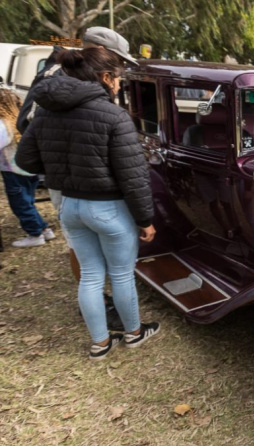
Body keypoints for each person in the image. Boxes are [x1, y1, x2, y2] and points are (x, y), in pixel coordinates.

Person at [16, 47, 160, 360]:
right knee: (121, 275)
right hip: (108, 207)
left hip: (70, 206)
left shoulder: (46, 110)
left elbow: (24, 158)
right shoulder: (113, 116)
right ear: (105, 77)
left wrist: (60, 169)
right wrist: (145, 219)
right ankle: (134, 334)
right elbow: (132, 176)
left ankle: (100, 343)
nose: (120, 85)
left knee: (91, 275)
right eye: (118, 78)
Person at [1, 88, 55, 248]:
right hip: (29, 169)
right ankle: (44, 228)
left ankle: (35, 234)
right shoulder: (20, 120)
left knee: (20, 204)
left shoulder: (3, 125)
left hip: (14, 171)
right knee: (28, 201)